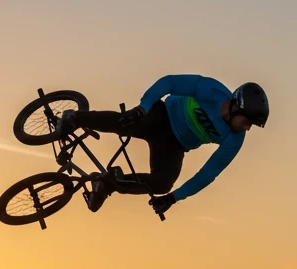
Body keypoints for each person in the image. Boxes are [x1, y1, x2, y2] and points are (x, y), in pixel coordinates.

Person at [58, 75, 268, 218]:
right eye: (247, 121)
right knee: (124, 122)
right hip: (161, 116)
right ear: (235, 106)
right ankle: (74, 118)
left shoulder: (235, 139)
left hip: (174, 145)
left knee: (162, 184)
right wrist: (143, 107)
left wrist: (174, 197)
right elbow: (169, 82)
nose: (248, 128)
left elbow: (208, 173)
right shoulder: (211, 90)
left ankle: (107, 183)